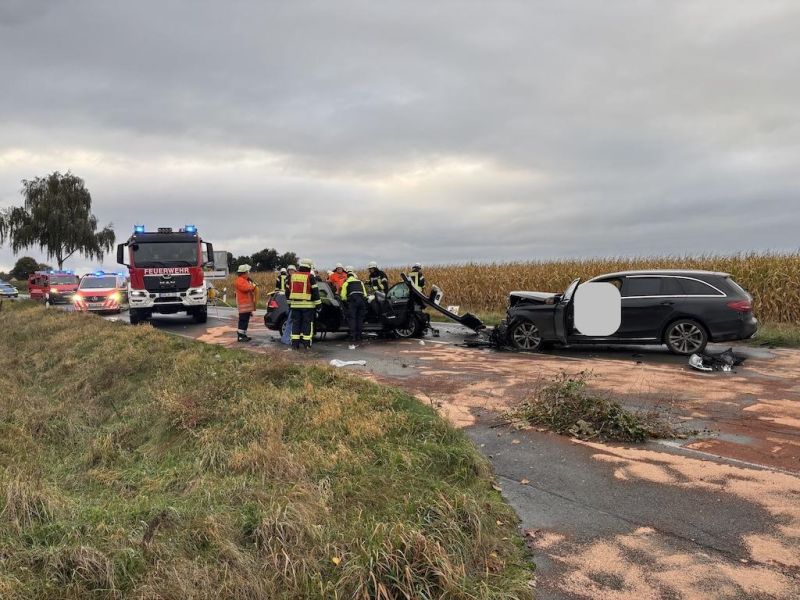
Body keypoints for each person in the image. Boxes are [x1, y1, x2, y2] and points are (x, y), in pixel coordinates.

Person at [287, 258, 321, 349]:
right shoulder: (310, 276)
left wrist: (289, 303)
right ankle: (306, 345)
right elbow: (315, 292)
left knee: (295, 324)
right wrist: (318, 305)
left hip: (295, 305)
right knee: (307, 324)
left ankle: (295, 345)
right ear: (309, 267)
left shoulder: (292, 276)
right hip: (308, 306)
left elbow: (288, 290)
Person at [340, 266, 367, 343]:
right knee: (360, 319)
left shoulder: (346, 283)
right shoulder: (360, 282)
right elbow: (365, 294)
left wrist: (345, 300)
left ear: (347, 277)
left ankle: (353, 336)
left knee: (352, 318)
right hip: (361, 301)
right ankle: (359, 336)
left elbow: (343, 296)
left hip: (353, 302)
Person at [235, 264, 257, 342]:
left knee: (245, 321)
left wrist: (252, 284)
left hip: (246, 306)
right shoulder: (240, 280)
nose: (248, 273)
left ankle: (243, 335)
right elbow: (246, 288)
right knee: (243, 320)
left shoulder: (245, 280)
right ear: (243, 272)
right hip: (243, 305)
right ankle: (240, 336)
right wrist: (253, 286)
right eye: (247, 272)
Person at [280, 265, 297, 345]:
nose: (291, 272)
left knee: (290, 320)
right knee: (290, 321)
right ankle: (286, 339)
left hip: (292, 302)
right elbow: (288, 292)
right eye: (289, 270)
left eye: (292, 270)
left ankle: (287, 338)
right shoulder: (289, 279)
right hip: (292, 302)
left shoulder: (292, 278)